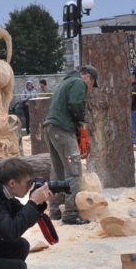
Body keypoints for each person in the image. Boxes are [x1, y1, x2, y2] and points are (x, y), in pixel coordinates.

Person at [43, 65, 98, 225]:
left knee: (58, 169)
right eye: (91, 83)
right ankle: (70, 212)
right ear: (87, 76)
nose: (89, 87)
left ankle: (55, 210)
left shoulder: (65, 82)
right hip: (62, 128)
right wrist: (83, 119)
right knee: (74, 172)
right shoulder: (78, 82)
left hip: (51, 127)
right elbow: (75, 104)